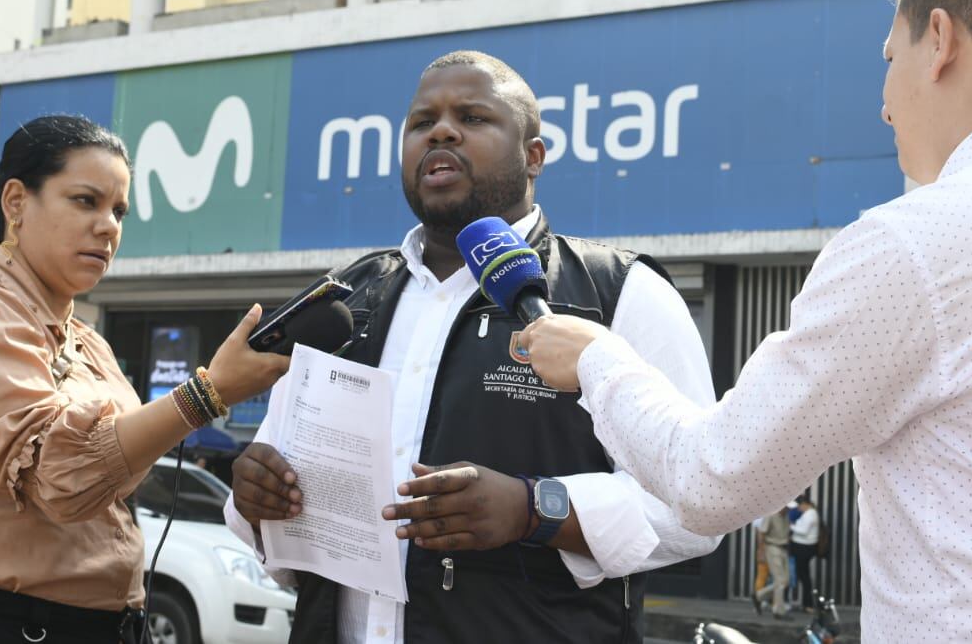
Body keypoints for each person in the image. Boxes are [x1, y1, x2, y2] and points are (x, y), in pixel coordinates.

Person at [518, 0, 972, 642]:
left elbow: (714, 479)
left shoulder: (917, 243)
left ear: (941, 39)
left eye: (889, 58)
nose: (884, 104)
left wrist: (593, 357)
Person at [224, 51, 720, 643]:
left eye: (474, 117)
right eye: (420, 121)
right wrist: (254, 497)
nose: (440, 130)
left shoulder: (618, 293)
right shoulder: (341, 299)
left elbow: (700, 502)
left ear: (532, 156)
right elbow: (273, 515)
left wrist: (535, 509)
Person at [0, 116, 288, 644]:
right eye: (84, 201)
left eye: (118, 210)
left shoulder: (87, 341)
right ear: (16, 203)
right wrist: (207, 394)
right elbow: (61, 477)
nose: (108, 226)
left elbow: (113, 469)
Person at [752, 508, 790, 618]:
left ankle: (759, 596)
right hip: (772, 548)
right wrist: (761, 551)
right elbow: (762, 533)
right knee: (780, 580)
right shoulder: (771, 515)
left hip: (783, 548)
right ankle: (778, 611)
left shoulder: (786, 516)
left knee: (785, 581)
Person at [788, 496, 819, 612]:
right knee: (803, 576)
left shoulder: (810, 514)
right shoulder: (809, 513)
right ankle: (807, 604)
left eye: (800, 506)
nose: (799, 509)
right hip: (803, 547)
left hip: (804, 548)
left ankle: (808, 604)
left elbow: (803, 531)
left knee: (804, 576)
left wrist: (791, 526)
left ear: (805, 504)